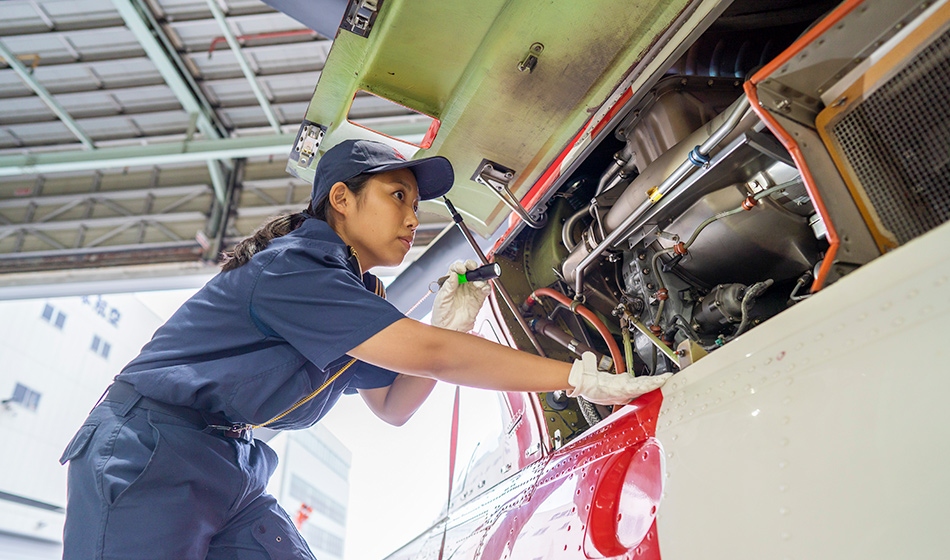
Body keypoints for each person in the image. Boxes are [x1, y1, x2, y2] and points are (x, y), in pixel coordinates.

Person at [58, 139, 672, 559]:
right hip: (151, 451)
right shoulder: (297, 269)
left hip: (230, 459)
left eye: (416, 202)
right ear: (341, 201)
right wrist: (574, 377)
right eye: (397, 196)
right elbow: (426, 357)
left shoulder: (355, 293)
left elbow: (394, 405)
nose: (413, 217)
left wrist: (451, 328)